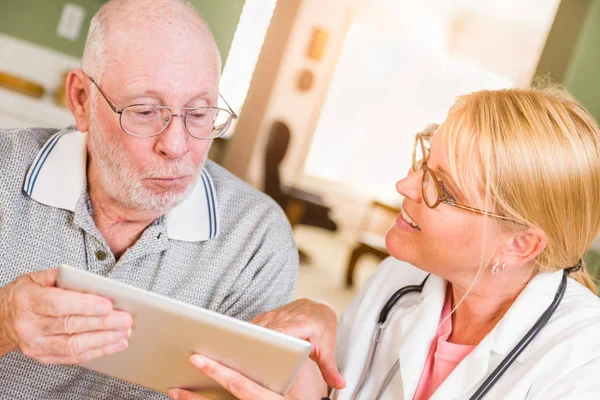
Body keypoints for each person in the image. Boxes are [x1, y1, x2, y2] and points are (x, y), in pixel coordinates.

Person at [169, 87, 600, 400]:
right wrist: (304, 359)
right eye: (424, 162)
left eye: (442, 188)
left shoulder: (583, 364)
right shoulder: (402, 275)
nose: (404, 185)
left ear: (520, 245)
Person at [0, 0, 298, 398]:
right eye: (144, 111)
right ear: (81, 100)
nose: (176, 147)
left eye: (199, 113)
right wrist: (4, 322)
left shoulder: (257, 241)